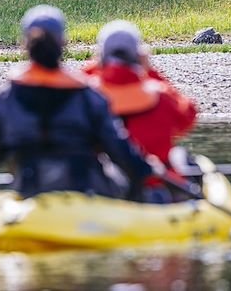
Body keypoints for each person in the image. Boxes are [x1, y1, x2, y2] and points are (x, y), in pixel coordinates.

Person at [0, 6, 152, 200]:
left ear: (24, 44)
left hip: (29, 194)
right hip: (83, 196)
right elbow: (121, 153)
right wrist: (146, 168)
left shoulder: (6, 98)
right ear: (63, 42)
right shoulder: (89, 97)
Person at [83, 20, 198, 203]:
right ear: (138, 56)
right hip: (155, 188)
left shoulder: (87, 95)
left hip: (105, 192)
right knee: (182, 157)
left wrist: (97, 65)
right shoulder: (160, 94)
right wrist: (150, 71)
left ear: (101, 58)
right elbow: (188, 118)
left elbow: (80, 81)